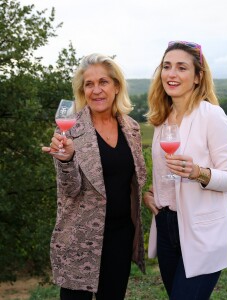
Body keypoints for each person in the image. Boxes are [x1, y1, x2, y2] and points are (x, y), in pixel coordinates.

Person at [42, 53, 147, 300]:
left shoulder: (131, 128)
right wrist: (66, 160)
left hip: (120, 235)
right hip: (80, 238)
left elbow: (134, 181)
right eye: (89, 84)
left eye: (103, 82)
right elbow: (70, 189)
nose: (96, 90)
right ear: (82, 90)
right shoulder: (69, 128)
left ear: (116, 86)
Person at [143, 41, 227, 299]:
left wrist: (199, 172)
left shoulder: (212, 116)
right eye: (166, 66)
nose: (171, 74)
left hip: (202, 231)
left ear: (198, 77)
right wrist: (153, 194)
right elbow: (165, 176)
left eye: (181, 68)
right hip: (166, 225)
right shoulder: (161, 119)